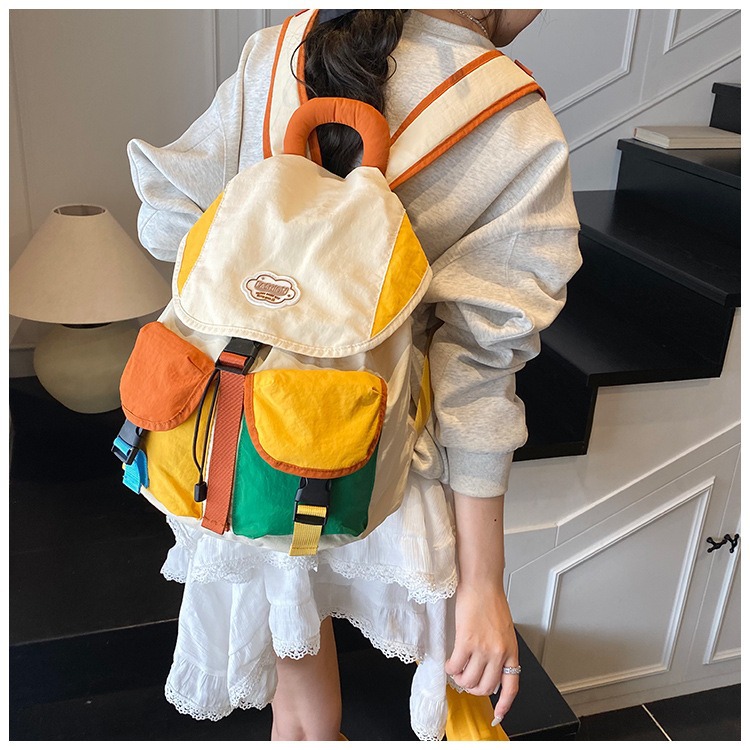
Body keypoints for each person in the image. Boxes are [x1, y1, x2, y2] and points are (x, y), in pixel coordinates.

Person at [127, 9, 582, 741]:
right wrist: (484, 583)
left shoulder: (278, 47)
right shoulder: (510, 118)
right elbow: (477, 371)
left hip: (240, 443)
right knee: (430, 696)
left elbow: (169, 214)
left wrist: (267, 301)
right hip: (383, 464)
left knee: (299, 701)